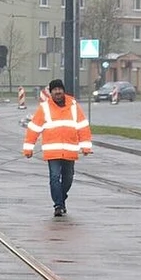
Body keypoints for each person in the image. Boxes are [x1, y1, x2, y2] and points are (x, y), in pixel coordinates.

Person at [22, 78, 92, 217]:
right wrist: (28, 148)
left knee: (68, 178)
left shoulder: (73, 106)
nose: (58, 92)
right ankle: (58, 205)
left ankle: (61, 198)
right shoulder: (45, 108)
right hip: (52, 152)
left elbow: (83, 127)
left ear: (63, 91)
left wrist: (86, 146)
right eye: (55, 90)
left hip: (70, 150)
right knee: (54, 177)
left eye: (60, 89)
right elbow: (34, 129)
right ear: (51, 92)